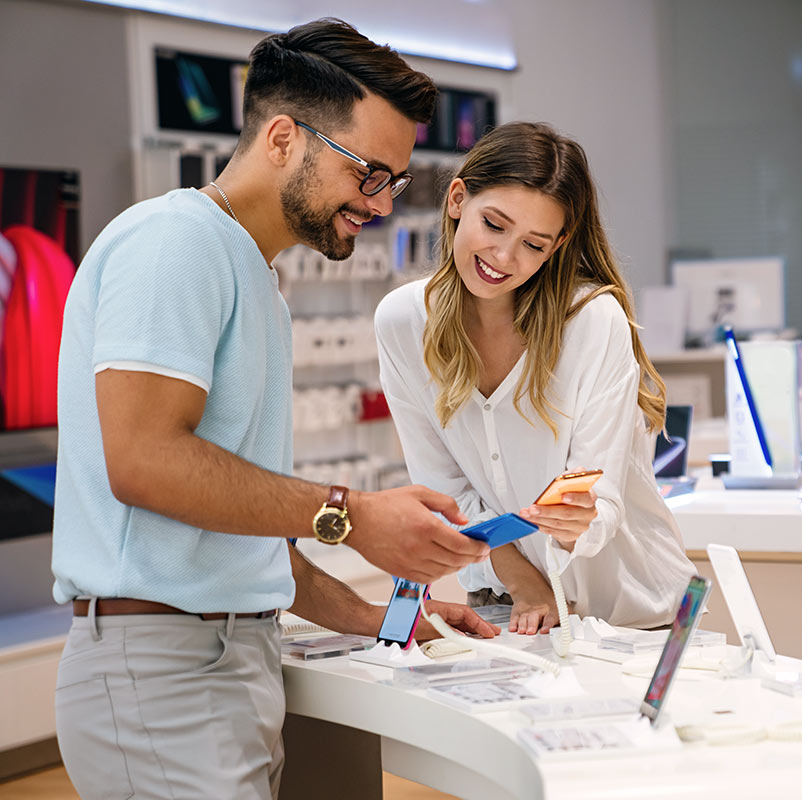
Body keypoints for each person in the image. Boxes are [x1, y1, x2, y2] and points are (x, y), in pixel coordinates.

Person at [51, 19, 498, 800]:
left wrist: (377, 618)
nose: (382, 205)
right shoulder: (175, 242)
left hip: (223, 659)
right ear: (284, 137)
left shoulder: (256, 279)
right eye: (368, 174)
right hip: (160, 664)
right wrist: (354, 514)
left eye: (393, 181)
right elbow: (144, 460)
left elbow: (245, 535)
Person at [374, 121, 696, 633]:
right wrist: (523, 582)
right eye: (494, 225)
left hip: (630, 615)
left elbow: (602, 503)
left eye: (533, 244)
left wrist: (577, 521)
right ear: (457, 199)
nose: (503, 258)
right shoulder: (402, 323)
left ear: (558, 244)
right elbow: (443, 491)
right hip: (505, 606)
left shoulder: (592, 320)